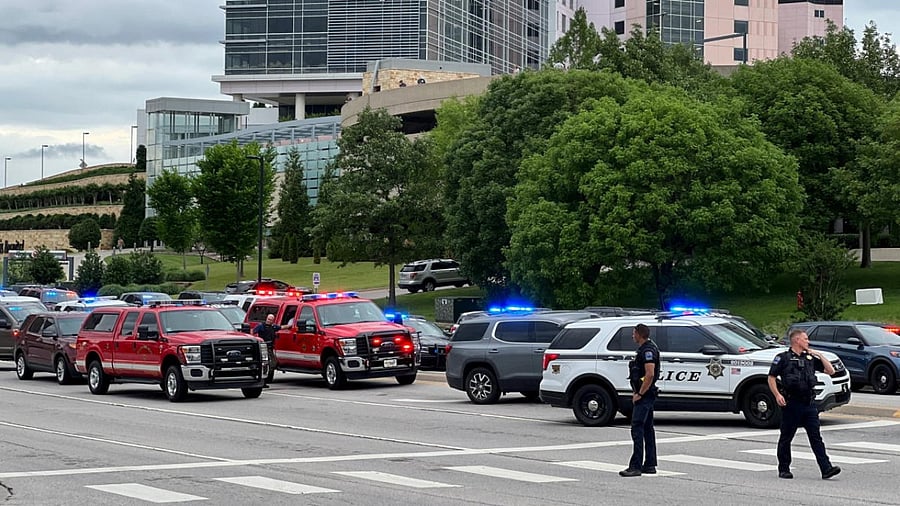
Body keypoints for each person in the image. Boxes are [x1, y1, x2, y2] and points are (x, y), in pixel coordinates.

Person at [768, 329, 841, 480]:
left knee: (816, 437)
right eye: (805, 339)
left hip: (808, 404)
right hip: (791, 403)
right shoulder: (783, 358)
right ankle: (784, 468)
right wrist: (777, 395)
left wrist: (819, 355)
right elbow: (771, 377)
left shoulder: (810, 358)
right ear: (797, 340)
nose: (808, 342)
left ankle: (826, 468)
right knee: (786, 437)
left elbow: (831, 371)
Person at [620, 323, 660, 477]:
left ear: (639, 334)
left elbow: (649, 374)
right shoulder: (645, 349)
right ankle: (649, 464)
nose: (632, 336)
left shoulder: (648, 351)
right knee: (648, 429)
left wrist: (640, 394)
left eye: (633, 333)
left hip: (645, 395)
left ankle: (635, 466)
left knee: (637, 428)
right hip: (646, 393)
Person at [253, 314, 282, 383]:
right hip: (264, 347)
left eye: (271, 320)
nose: (269, 321)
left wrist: (291, 325)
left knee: (273, 364)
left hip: (270, 348)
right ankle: (264, 380)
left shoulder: (273, 327)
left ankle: (268, 379)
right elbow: (253, 332)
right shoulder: (261, 326)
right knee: (267, 364)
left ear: (273, 321)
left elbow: (281, 327)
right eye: (268, 319)